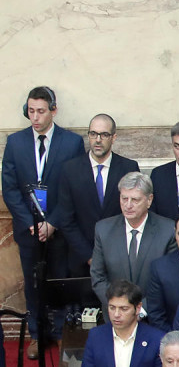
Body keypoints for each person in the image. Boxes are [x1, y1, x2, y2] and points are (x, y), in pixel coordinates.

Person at [2, 85, 85, 338]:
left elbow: (75, 187)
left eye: (40, 111)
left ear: (53, 111)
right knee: (33, 283)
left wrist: (53, 223)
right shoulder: (15, 142)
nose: (35, 117)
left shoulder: (71, 143)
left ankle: (62, 334)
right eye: (30, 111)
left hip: (59, 229)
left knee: (60, 280)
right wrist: (29, 222)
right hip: (28, 230)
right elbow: (10, 187)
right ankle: (37, 335)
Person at [53, 113, 140, 274]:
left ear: (113, 138)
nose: (98, 139)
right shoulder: (70, 170)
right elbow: (66, 220)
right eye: (93, 134)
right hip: (80, 259)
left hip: (120, 259)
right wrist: (90, 256)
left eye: (104, 134)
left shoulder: (128, 168)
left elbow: (134, 214)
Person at [89, 171, 176, 312]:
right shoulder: (103, 229)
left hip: (152, 316)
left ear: (149, 200)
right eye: (124, 199)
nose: (128, 205)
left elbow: (169, 280)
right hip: (115, 317)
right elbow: (98, 277)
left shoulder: (168, 231)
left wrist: (141, 310)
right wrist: (119, 308)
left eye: (135, 200)